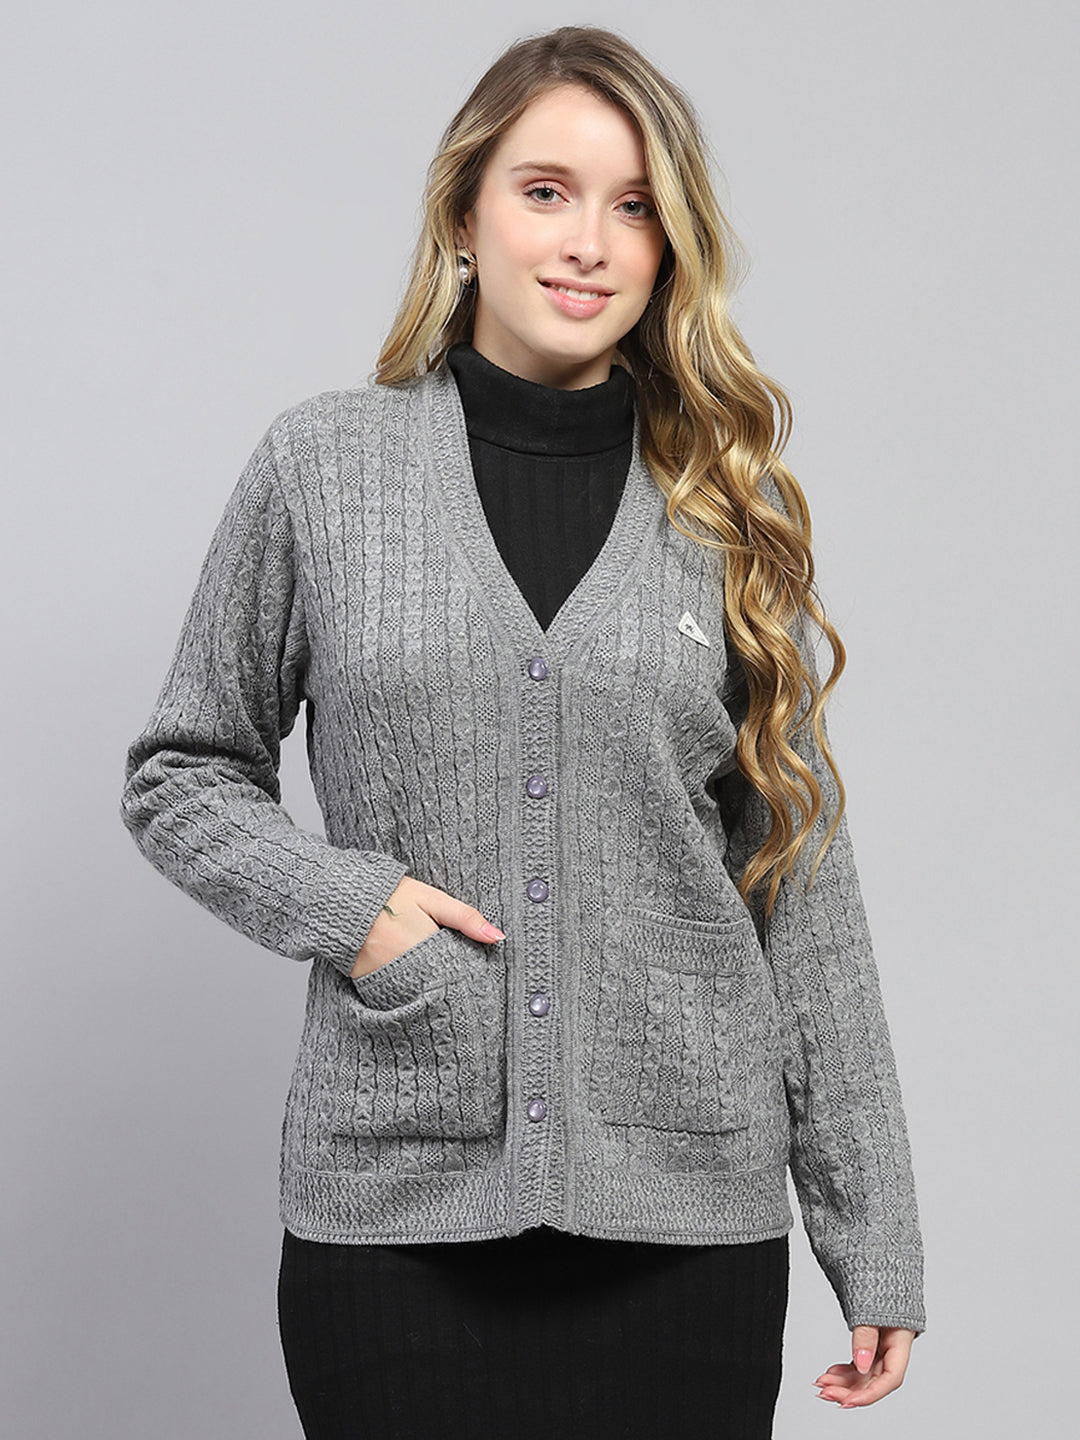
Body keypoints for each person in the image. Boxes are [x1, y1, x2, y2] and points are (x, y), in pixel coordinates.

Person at [119, 24, 925, 1440]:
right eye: (546, 191)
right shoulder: (324, 471)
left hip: (688, 1220)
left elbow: (800, 883)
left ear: (671, 249)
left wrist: (876, 1235)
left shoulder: (723, 514)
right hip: (398, 1207)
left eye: (636, 208)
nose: (589, 243)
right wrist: (359, 911)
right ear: (465, 215)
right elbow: (184, 773)